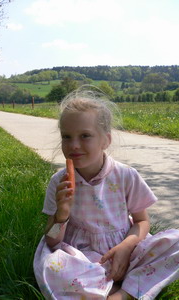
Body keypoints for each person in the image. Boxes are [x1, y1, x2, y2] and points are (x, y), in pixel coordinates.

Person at [33, 87, 179, 300]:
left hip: (128, 250)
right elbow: (52, 241)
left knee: (176, 241)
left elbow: (141, 222)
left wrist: (126, 247)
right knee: (51, 265)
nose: (74, 145)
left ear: (106, 140)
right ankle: (110, 286)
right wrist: (62, 214)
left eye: (85, 136)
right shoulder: (59, 182)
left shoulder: (126, 176)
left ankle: (123, 294)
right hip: (83, 258)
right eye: (66, 136)